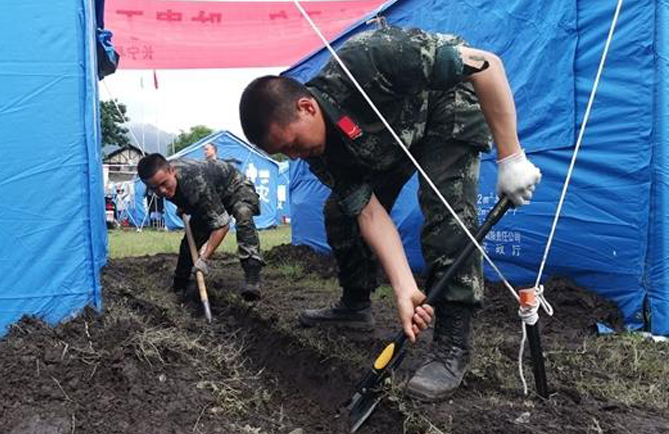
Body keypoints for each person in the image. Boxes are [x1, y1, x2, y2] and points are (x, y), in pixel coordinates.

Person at [238, 24, 541, 401]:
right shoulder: (321, 153)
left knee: (445, 212)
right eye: (286, 154)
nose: (296, 157)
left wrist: (511, 156)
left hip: (444, 104)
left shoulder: (369, 58)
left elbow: (487, 65)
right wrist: (404, 289)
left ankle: (451, 346)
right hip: (390, 139)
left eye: (294, 144)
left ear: (306, 106)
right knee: (340, 212)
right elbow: (369, 213)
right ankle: (355, 306)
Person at [137, 153, 264, 301]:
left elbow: (222, 226)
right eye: (155, 188)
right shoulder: (161, 180)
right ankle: (180, 285)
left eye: (164, 184)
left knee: (243, 214)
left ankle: (252, 277)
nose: (162, 191)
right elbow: (186, 197)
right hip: (210, 196)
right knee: (189, 243)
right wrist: (184, 205)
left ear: (172, 171)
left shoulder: (195, 181)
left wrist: (203, 259)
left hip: (235, 187)